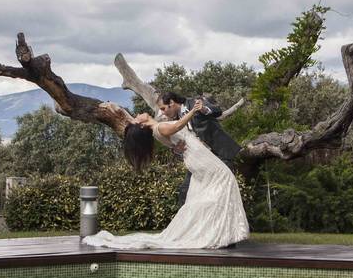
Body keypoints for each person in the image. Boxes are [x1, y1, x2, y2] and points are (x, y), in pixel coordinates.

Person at [82, 99, 249, 250]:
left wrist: (177, 147)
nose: (138, 114)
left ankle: (215, 231)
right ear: (141, 125)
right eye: (136, 117)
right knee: (225, 179)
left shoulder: (158, 128)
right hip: (199, 157)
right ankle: (216, 232)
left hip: (195, 157)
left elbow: (175, 143)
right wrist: (193, 111)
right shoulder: (159, 127)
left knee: (203, 194)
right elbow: (177, 127)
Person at [157, 92, 242, 207]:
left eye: (163, 108)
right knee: (184, 192)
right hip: (199, 161)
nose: (163, 112)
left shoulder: (194, 102)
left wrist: (203, 109)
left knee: (221, 194)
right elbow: (176, 146)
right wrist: (176, 150)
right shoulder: (175, 121)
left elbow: (217, 111)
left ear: (171, 102)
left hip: (220, 154)